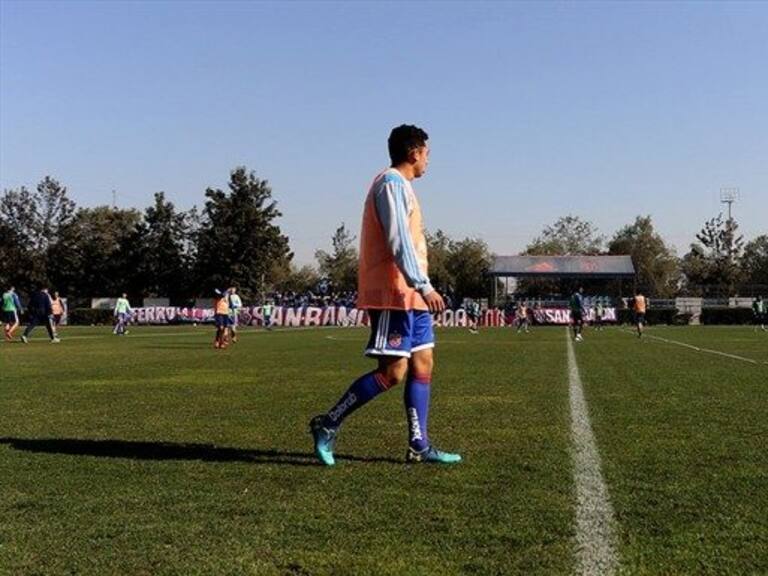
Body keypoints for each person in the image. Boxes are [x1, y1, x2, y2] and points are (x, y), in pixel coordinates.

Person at [309, 124, 461, 466]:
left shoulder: (403, 187)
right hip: (395, 294)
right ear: (414, 152)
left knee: (424, 364)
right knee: (393, 372)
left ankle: (419, 445)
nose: (428, 161)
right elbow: (399, 242)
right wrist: (424, 285)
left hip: (412, 296)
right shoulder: (391, 184)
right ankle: (327, 424)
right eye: (427, 153)